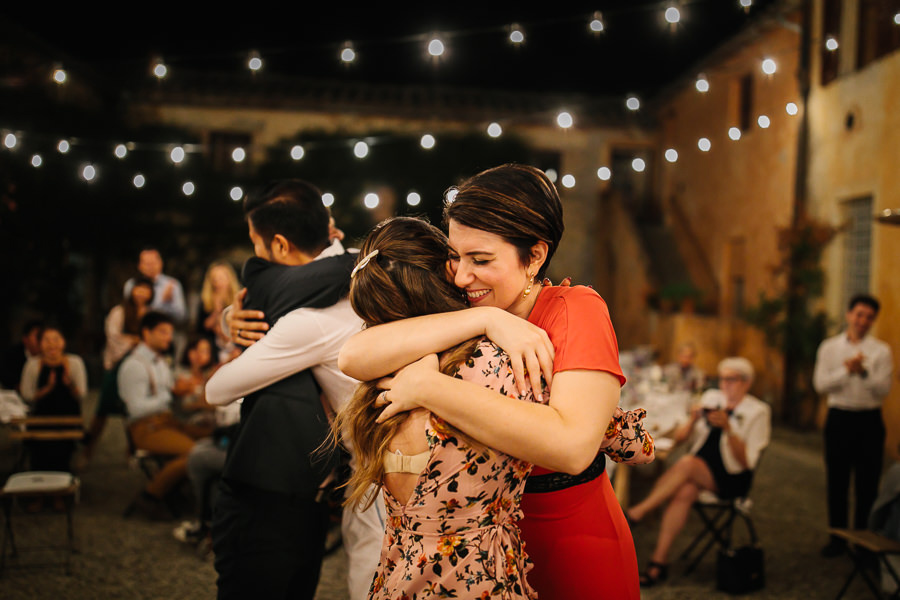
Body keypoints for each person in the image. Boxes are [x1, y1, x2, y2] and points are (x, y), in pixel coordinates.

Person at [338, 164, 641, 599]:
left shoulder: (577, 309)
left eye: (481, 260)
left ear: (534, 256)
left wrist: (430, 388)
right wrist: (485, 317)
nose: (461, 276)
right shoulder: (467, 304)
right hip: (479, 555)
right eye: (456, 257)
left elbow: (572, 447)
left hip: (567, 538)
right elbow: (354, 356)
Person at [205, 179, 383, 600]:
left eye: (256, 243)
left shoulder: (309, 317)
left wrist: (245, 316)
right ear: (329, 227)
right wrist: (238, 313)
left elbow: (217, 390)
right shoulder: (372, 271)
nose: (256, 255)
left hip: (370, 476)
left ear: (281, 245)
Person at [625, 357, 770, 586]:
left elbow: (747, 462)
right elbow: (681, 439)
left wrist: (729, 429)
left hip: (732, 477)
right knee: (685, 491)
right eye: (721, 379)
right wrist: (692, 420)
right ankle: (657, 564)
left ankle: (636, 513)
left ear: (746, 382)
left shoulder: (758, 412)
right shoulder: (712, 399)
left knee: (688, 464)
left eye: (730, 380)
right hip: (698, 471)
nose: (724, 385)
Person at [814, 294, 894, 557]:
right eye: (859, 314)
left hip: (868, 420)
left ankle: (863, 541)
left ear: (873, 320)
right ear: (849, 315)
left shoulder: (881, 351)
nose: (863, 321)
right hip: (840, 417)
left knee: (867, 484)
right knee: (837, 480)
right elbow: (821, 385)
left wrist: (863, 372)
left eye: (869, 317)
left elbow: (884, 389)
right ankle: (836, 538)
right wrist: (846, 371)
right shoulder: (829, 348)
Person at [118, 311, 210, 520]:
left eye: (170, 332)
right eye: (163, 332)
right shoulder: (134, 365)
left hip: (167, 422)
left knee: (212, 436)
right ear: (146, 333)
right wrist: (171, 393)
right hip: (145, 427)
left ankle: (180, 492)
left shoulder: (160, 362)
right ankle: (150, 495)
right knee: (195, 453)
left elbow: (169, 397)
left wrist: (183, 392)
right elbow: (135, 410)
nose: (168, 337)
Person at [19, 326, 87, 473]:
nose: (52, 344)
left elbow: (81, 394)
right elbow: (27, 396)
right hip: (40, 420)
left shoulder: (74, 362)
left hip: (68, 420)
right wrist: (46, 389)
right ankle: (39, 491)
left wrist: (69, 385)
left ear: (63, 342)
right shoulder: (32, 365)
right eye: (47, 340)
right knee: (39, 458)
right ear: (40, 344)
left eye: (56, 339)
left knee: (62, 459)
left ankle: (60, 491)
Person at [124, 247, 188, 324]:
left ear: (161, 263)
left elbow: (181, 316)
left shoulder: (171, 284)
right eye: (147, 264)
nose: (151, 267)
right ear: (139, 266)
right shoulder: (131, 284)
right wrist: (162, 302)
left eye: (153, 263)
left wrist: (165, 305)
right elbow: (128, 313)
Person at [103, 276, 155, 370]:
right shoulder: (119, 312)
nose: (142, 293)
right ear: (132, 290)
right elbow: (113, 335)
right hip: (120, 360)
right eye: (139, 289)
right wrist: (133, 341)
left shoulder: (152, 314)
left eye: (146, 290)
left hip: (145, 362)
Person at [196, 261, 240, 364]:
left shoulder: (239, 298)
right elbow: (201, 328)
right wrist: (216, 310)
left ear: (229, 279)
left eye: (221, 278)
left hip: (234, 345)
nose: (218, 282)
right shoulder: (205, 301)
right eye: (214, 279)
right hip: (213, 349)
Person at [0, 319, 43, 391]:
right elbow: (6, 378)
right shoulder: (12, 354)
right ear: (25, 339)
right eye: (37, 336)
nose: (40, 340)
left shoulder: (49, 357)